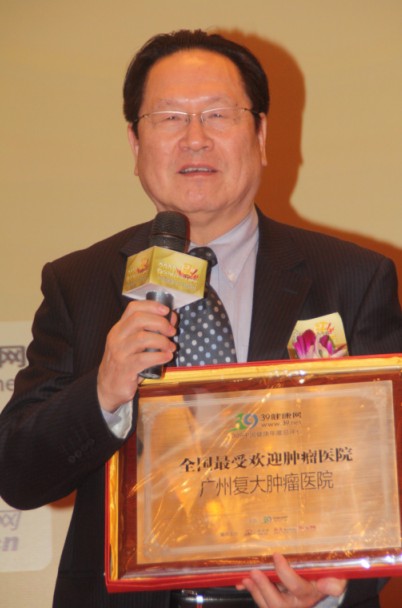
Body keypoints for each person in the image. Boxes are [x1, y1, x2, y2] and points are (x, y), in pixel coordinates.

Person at [0, 28, 401, 608]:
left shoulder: (354, 278)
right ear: (135, 143)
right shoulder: (79, 283)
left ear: (260, 135)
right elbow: (18, 475)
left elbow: (389, 475)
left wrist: (333, 592)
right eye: (168, 118)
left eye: (217, 115)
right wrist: (104, 392)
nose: (194, 139)